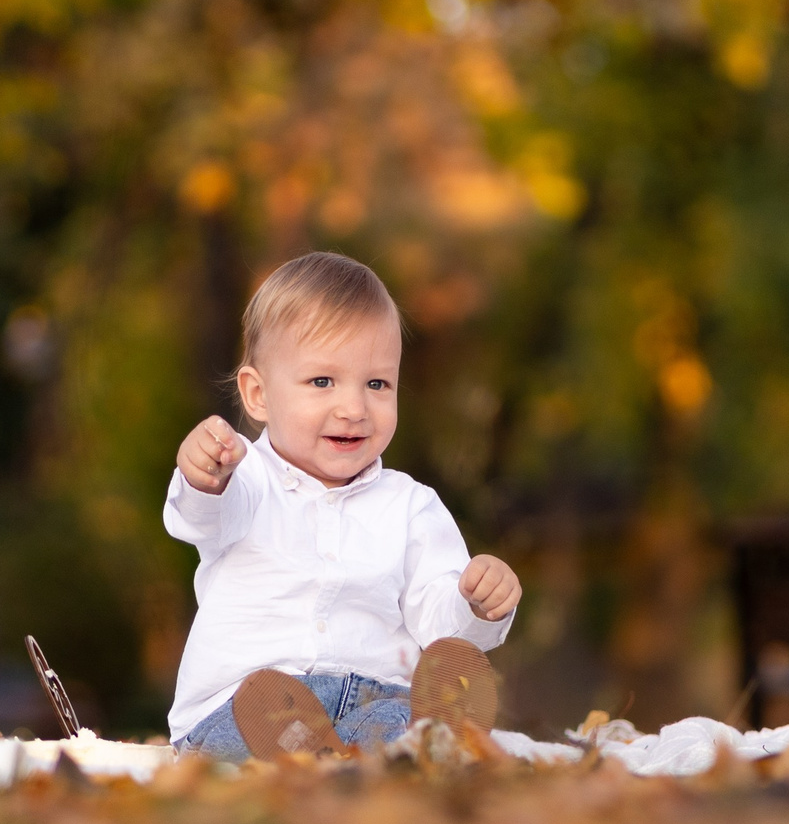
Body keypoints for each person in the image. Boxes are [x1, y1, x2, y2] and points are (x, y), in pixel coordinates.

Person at [165, 251, 522, 761]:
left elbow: (438, 622)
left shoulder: (410, 506)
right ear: (258, 395)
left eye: (377, 384)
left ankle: (403, 747)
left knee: (399, 718)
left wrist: (476, 603)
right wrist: (204, 476)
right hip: (249, 705)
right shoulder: (245, 479)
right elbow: (202, 517)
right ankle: (333, 760)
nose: (354, 408)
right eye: (322, 382)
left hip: (375, 696)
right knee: (238, 738)